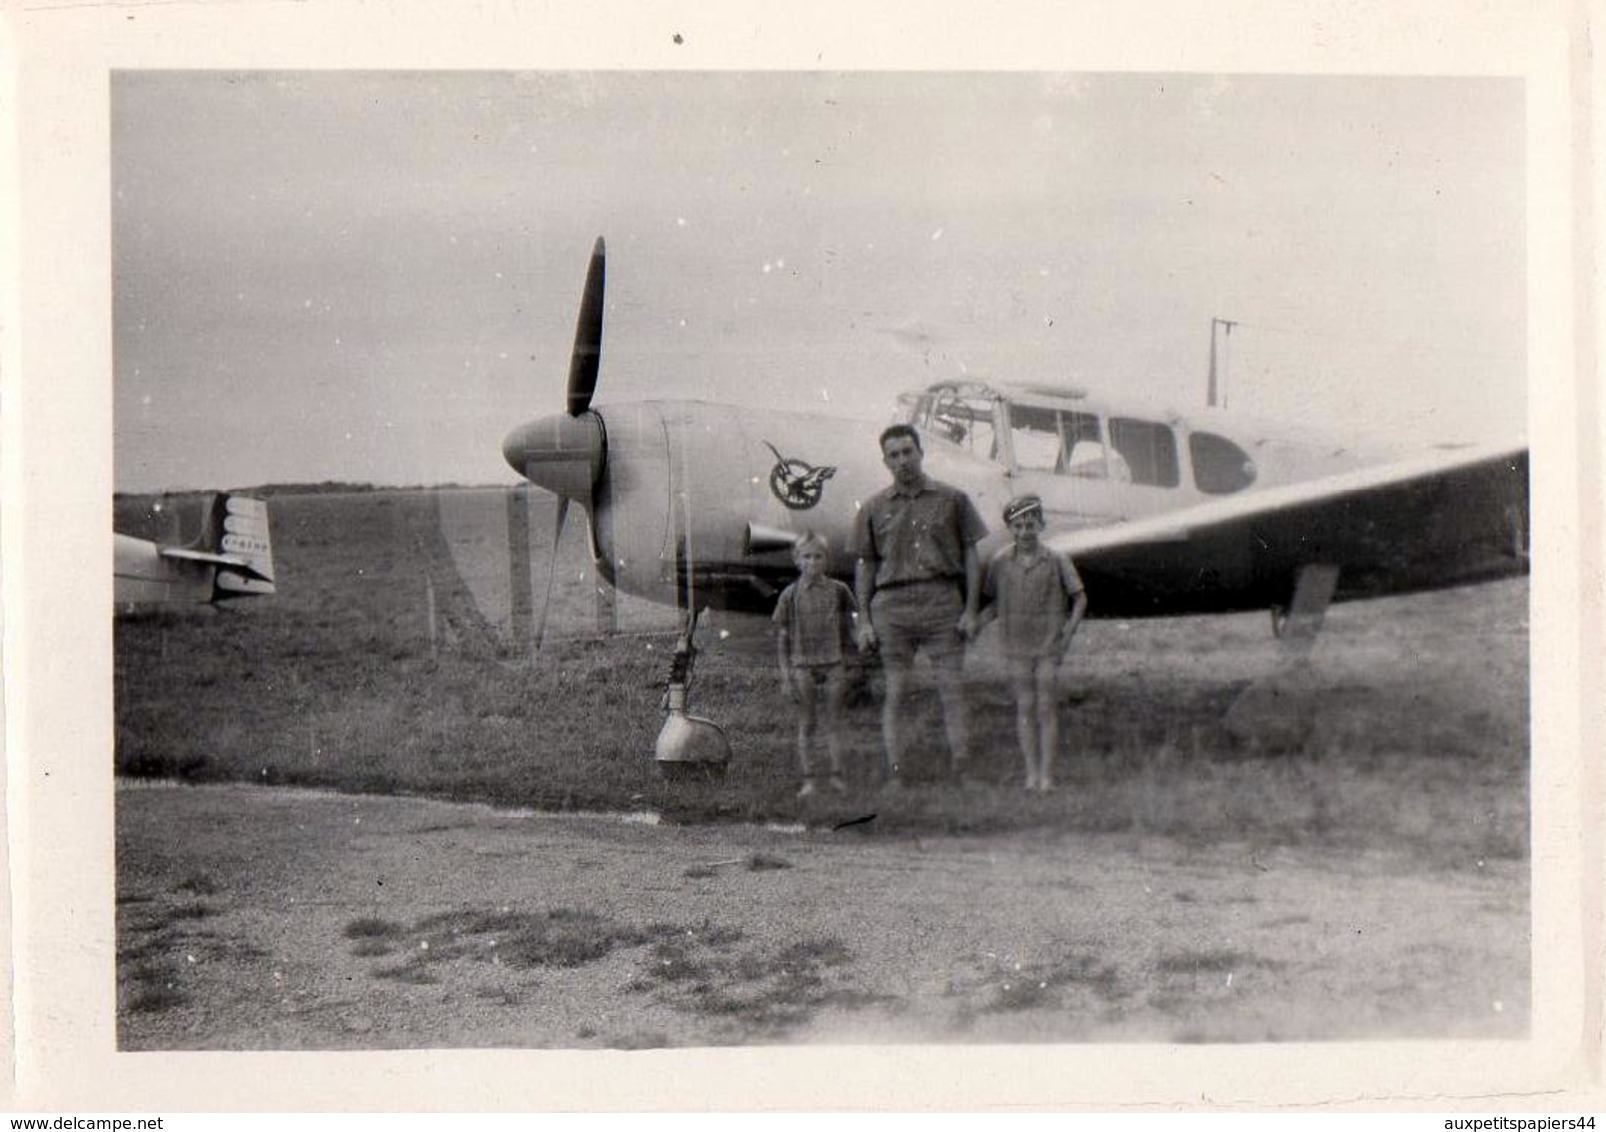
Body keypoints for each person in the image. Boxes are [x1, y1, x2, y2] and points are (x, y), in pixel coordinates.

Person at [852, 424, 988, 789]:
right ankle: (896, 774)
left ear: (920, 453)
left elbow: (972, 556)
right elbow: (865, 565)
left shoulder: (953, 499)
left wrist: (972, 610)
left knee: (952, 689)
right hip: (892, 607)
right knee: (895, 691)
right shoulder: (872, 508)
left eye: (907, 452)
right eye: (893, 455)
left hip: (942, 601)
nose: (902, 461)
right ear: (885, 461)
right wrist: (864, 619)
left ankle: (963, 770)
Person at [979, 494, 1088, 793]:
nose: (1024, 532)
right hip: (1015, 646)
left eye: (1030, 525)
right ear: (1010, 529)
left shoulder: (1057, 559)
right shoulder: (1001, 562)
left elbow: (1080, 598)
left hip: (1048, 645)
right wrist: (976, 624)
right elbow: (994, 603)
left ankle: (1047, 776)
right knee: (1025, 706)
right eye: (1018, 526)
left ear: (1041, 525)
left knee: (1045, 707)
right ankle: (1031, 773)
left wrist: (1067, 634)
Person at [772, 533, 858, 798]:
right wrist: (786, 677)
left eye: (818, 556)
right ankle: (809, 779)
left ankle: (837, 776)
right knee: (807, 722)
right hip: (803, 665)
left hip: (833, 663)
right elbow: (783, 639)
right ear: (797, 560)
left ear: (826, 559)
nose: (812, 562)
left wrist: (853, 661)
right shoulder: (790, 595)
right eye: (806, 557)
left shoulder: (839, 591)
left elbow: (851, 628)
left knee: (833, 722)